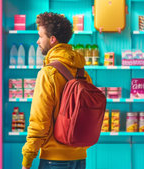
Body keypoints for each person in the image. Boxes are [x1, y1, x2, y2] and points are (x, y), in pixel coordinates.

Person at [21, 12, 92, 169]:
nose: (38, 41)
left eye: (40, 36)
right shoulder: (82, 72)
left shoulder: (48, 73)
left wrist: (27, 159)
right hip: (80, 159)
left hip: (54, 160)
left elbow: (39, 122)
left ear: (52, 39)